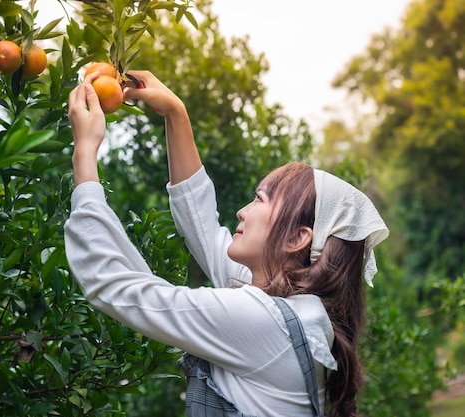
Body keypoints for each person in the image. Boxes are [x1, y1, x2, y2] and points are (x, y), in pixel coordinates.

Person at [64, 70, 389, 417]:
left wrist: (84, 153)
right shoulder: (293, 308)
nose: (243, 211)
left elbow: (113, 285)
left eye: (260, 200)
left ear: (297, 239)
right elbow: (200, 222)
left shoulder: (262, 321)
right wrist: (175, 113)